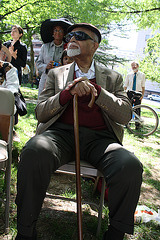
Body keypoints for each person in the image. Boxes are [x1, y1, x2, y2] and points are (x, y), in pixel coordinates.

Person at [15, 23, 143, 240]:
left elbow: (124, 115)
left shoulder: (113, 77)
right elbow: (40, 113)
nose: (71, 38)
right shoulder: (56, 74)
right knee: (34, 151)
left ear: (95, 46)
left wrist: (99, 92)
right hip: (59, 136)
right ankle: (26, 231)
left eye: (79, 36)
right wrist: (66, 93)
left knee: (129, 166)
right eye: (70, 35)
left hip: (100, 140)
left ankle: (116, 233)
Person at [36, 18, 72, 98]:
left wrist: (62, 67)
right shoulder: (45, 47)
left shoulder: (67, 48)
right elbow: (38, 63)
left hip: (61, 80)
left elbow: (71, 64)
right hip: (46, 78)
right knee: (42, 101)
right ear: (52, 32)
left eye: (60, 31)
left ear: (64, 33)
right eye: (55, 30)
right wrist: (46, 66)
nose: (57, 33)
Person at [124, 61, 146, 129]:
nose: (133, 67)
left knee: (137, 109)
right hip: (130, 93)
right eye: (132, 66)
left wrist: (142, 95)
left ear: (138, 66)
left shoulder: (142, 75)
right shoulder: (129, 75)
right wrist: (124, 93)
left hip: (138, 93)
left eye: (135, 65)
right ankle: (127, 123)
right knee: (128, 109)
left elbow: (143, 86)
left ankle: (137, 125)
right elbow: (125, 85)